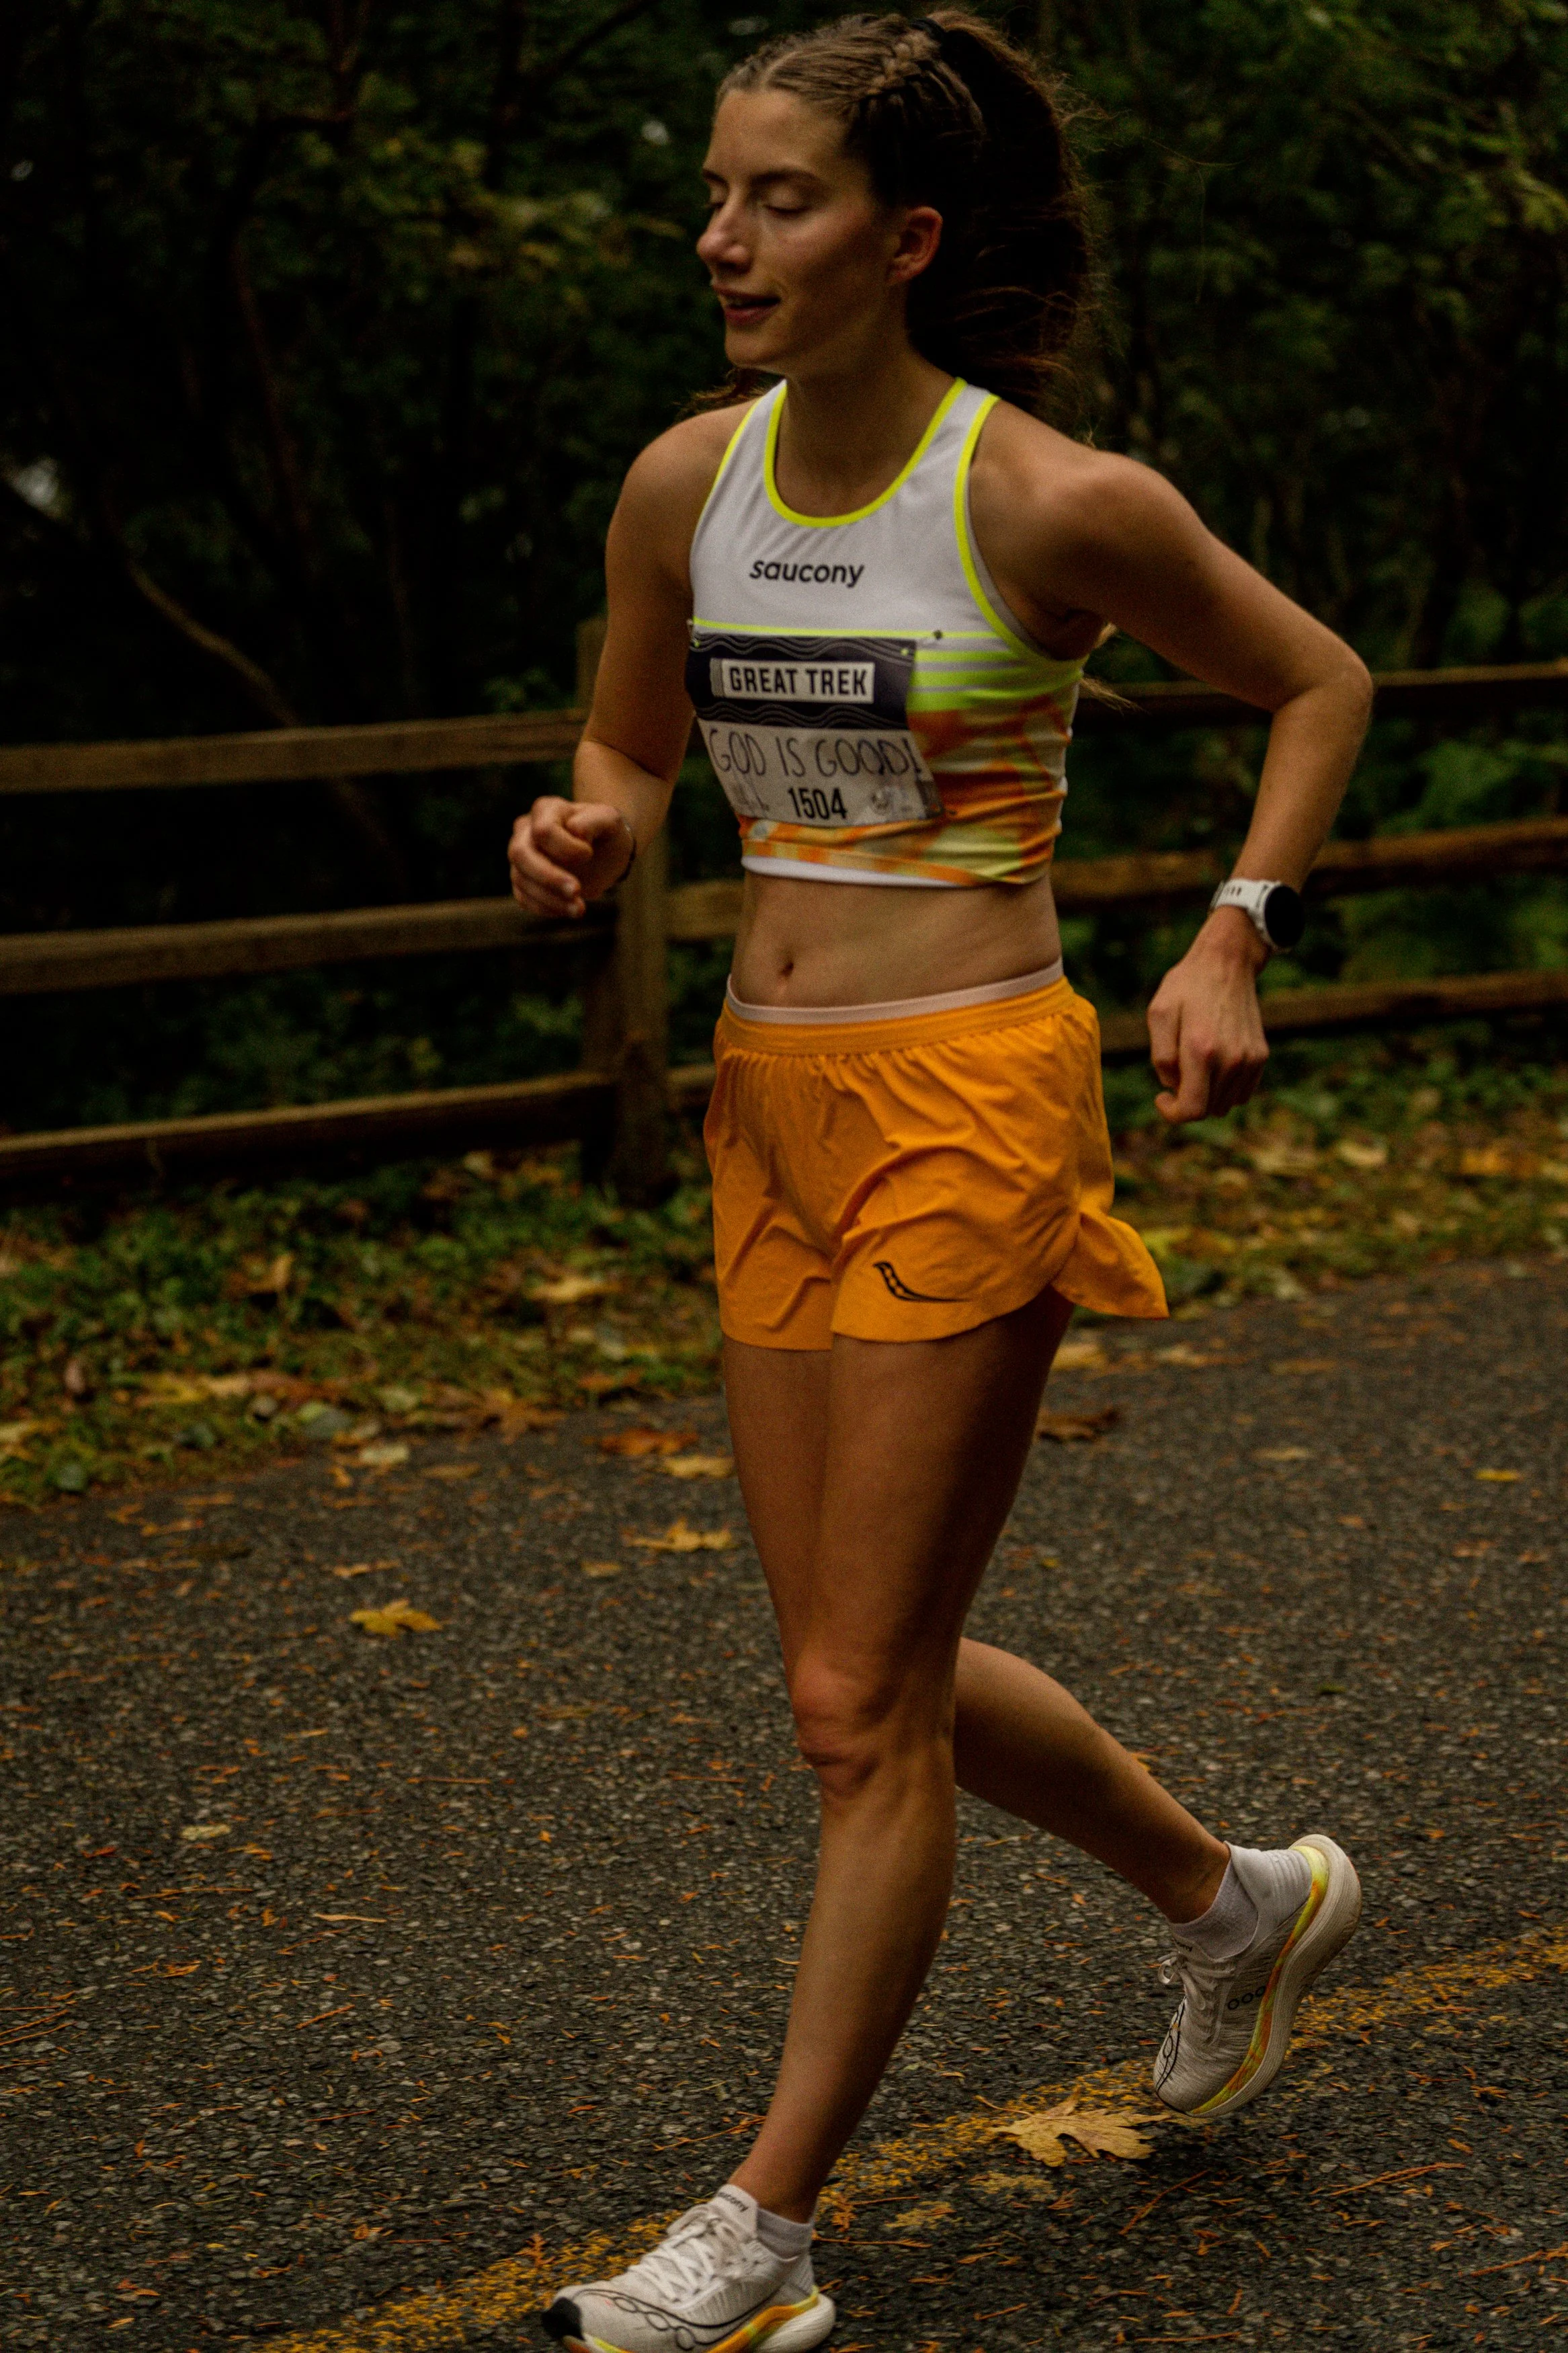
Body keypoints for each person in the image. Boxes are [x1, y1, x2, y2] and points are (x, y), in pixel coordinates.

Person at [507, 13, 1370, 2349]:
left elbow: (1317, 681)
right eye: (715, 194)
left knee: (849, 1704)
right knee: (849, 1671)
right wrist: (589, 819)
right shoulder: (687, 482)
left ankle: (763, 2236)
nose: (719, 237)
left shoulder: (1045, 501)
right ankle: (1234, 1901)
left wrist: (1228, 936)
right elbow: (631, 727)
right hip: (766, 1100)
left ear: (900, 239)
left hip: (974, 1094)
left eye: (774, 200)